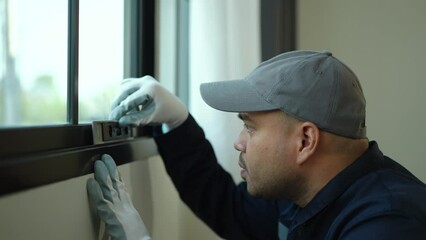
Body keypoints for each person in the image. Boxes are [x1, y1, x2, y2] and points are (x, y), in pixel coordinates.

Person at [87, 50, 426, 240]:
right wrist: (177, 125)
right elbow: (229, 209)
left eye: (250, 126)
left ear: (305, 140)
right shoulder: (304, 194)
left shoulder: (389, 223)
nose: (239, 142)